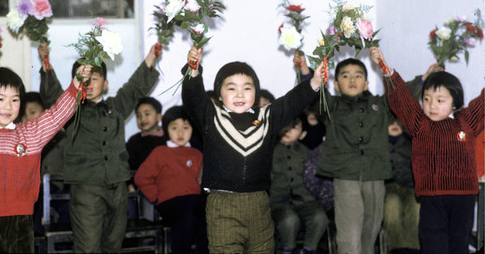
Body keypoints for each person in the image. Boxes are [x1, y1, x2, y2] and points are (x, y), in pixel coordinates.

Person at [181, 46, 324, 253]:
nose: (240, 94)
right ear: (219, 94)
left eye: (247, 88)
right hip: (222, 204)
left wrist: (315, 82)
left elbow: (292, 101)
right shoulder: (211, 116)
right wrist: (193, 69)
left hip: (260, 202)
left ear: (255, 93)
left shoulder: (267, 116)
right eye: (231, 88)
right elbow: (193, 97)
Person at [38, 42, 161, 253]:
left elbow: (134, 88)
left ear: (105, 83)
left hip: (118, 188)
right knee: (88, 247)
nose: (90, 82)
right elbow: (52, 96)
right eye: (84, 78)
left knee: (113, 245)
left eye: (95, 78)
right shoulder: (70, 110)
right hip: (86, 189)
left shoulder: (116, 106)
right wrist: (46, 62)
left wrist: (151, 58)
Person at [307, 55, 428, 254]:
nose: (352, 80)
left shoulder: (379, 105)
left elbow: (400, 96)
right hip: (346, 179)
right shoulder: (332, 106)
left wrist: (422, 78)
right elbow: (313, 94)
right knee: (349, 238)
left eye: (358, 76)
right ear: (336, 85)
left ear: (366, 83)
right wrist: (305, 71)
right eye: (346, 76)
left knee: (369, 235)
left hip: (375, 177)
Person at [370, 47, 483, 254]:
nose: (431, 105)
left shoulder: (466, 121)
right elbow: (401, 98)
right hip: (432, 197)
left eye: (440, 100)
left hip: (464, 197)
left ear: (455, 103)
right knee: (433, 244)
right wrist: (386, 69)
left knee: (459, 245)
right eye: (427, 99)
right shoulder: (419, 124)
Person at [0, 65, 90, 253]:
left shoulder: (30, 135)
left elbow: (57, 115)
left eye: (15, 100)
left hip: (22, 221)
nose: (8, 106)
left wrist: (77, 83)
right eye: (0, 99)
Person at [135, 106, 208, 254]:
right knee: (186, 218)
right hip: (170, 202)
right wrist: (156, 196)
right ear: (167, 130)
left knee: (208, 218)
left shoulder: (196, 154)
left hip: (193, 201)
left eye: (185, 128)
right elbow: (141, 177)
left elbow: (204, 180)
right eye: (174, 128)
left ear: (192, 130)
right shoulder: (160, 152)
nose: (180, 133)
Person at [270, 116, 329, 254]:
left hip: (305, 200)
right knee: (289, 220)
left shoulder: (307, 153)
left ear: (303, 134)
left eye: (295, 127)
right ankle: (288, 249)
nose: (288, 130)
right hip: (279, 201)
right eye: (286, 126)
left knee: (320, 218)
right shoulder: (270, 151)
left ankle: (309, 249)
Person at [21, 92, 70, 234]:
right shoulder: (20, 140)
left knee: (66, 212)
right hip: (30, 192)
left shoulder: (61, 137)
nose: (29, 118)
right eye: (24, 115)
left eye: (33, 112)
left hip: (58, 190)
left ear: (45, 112)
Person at [384, 119, 420, 254]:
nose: (394, 126)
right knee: (392, 205)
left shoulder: (411, 142)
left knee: (415, 206)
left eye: (398, 123)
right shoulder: (379, 143)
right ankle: (397, 248)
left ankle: (412, 247)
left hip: (410, 186)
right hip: (388, 186)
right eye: (391, 123)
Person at [126, 96, 166, 172]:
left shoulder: (170, 137)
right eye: (138, 116)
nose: (142, 119)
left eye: (147, 114)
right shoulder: (134, 141)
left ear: (159, 117)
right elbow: (130, 169)